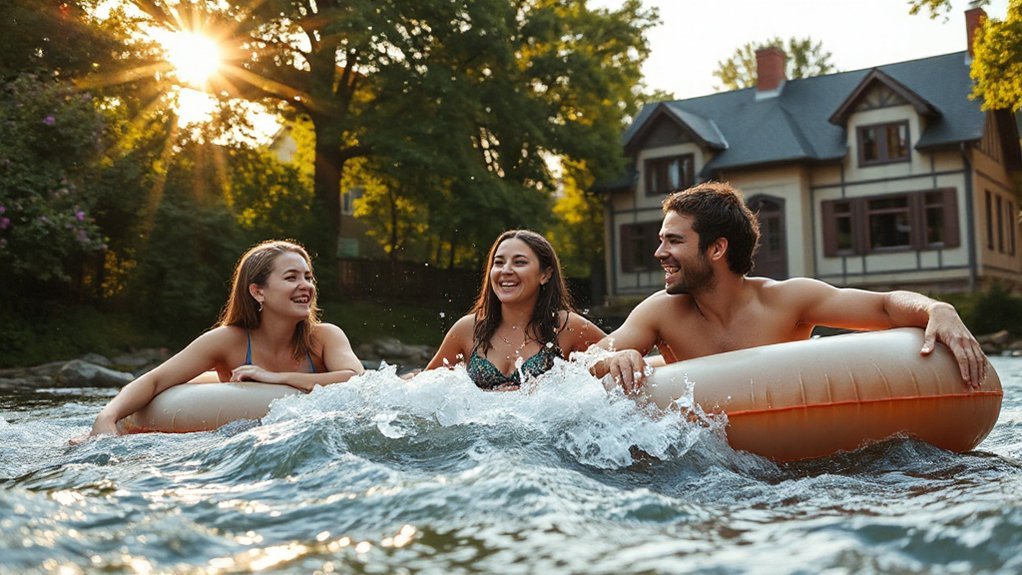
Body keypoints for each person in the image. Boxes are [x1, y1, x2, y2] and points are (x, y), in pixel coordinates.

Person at [594, 181, 987, 393]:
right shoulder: (661, 311)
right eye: (662, 240)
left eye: (674, 241)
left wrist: (938, 309)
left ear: (717, 248)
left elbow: (885, 307)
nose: (659, 252)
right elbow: (595, 355)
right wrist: (614, 358)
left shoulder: (787, 300)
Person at [87, 239, 364, 436]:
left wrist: (277, 377)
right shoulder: (227, 341)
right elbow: (156, 380)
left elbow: (357, 380)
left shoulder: (324, 336)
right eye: (291, 278)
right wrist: (107, 418)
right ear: (258, 291)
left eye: (308, 277)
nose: (306, 286)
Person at [426, 230, 605, 390]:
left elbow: (622, 361)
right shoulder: (467, 330)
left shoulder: (567, 327)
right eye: (498, 262)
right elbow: (422, 389)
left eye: (519, 262)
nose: (506, 270)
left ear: (545, 275)